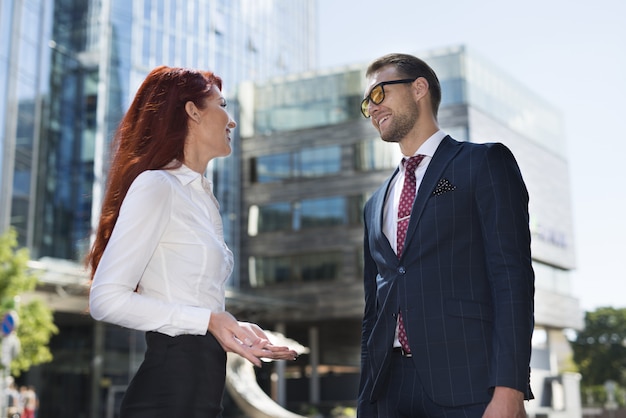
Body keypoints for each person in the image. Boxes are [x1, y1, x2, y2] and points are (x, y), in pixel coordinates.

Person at [87, 66, 297, 418]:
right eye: (222, 104)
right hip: (167, 395)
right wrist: (208, 321)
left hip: (202, 390)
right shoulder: (157, 186)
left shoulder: (202, 198)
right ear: (192, 111)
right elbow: (105, 300)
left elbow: (195, 302)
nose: (231, 121)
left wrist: (229, 326)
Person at [357, 53, 535, 417]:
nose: (372, 109)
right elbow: (372, 310)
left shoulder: (482, 163)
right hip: (390, 391)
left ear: (419, 88)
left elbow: (511, 280)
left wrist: (510, 387)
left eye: (379, 95)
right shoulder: (375, 203)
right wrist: (366, 400)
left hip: (470, 387)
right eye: (366, 104)